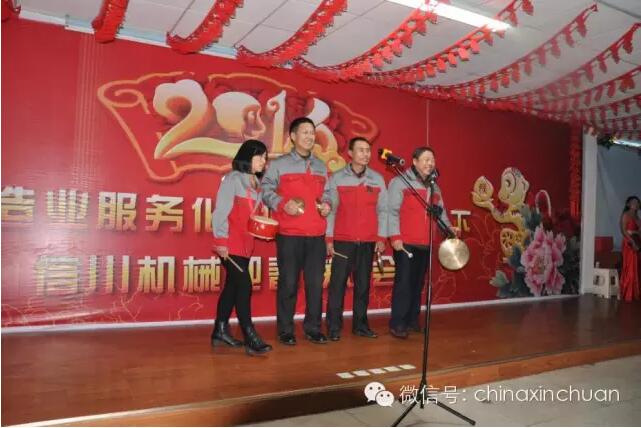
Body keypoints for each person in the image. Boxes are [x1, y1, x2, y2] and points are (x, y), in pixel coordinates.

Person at [261, 117, 332, 345]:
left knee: (315, 285)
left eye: (312, 132)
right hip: (289, 235)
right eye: (305, 132)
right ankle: (285, 330)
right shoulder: (280, 164)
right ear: (293, 136)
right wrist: (282, 204)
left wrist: (327, 204)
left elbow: (328, 192)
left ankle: (313, 328)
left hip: (316, 236)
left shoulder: (320, 166)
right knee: (289, 283)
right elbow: (265, 189)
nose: (310, 136)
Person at [387, 147, 457, 338]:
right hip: (405, 243)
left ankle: (412, 320)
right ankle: (398, 323)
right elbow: (391, 212)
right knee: (404, 284)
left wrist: (449, 229)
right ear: (415, 161)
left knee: (418, 284)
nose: (430, 163)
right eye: (426, 159)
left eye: (432, 160)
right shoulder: (400, 182)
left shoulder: (435, 187)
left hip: (426, 243)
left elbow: (441, 214)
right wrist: (394, 237)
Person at [211, 139, 272, 355]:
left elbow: (252, 214)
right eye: (260, 157)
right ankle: (250, 335)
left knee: (233, 287)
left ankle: (220, 330)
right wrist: (220, 241)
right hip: (230, 243)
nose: (263, 161)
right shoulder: (233, 179)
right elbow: (221, 211)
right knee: (244, 285)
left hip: (246, 245)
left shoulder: (257, 184)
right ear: (247, 157)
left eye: (265, 158)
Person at [325, 137, 387, 341]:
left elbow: (383, 211)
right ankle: (334, 327)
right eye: (361, 150)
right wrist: (329, 238)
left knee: (363, 285)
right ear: (350, 153)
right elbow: (331, 211)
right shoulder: (337, 178)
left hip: (368, 241)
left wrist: (381, 237)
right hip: (343, 241)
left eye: (368, 150)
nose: (366, 154)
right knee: (337, 286)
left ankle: (360, 325)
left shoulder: (377, 179)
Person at [620, 195, 640, 302]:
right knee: (630, 267)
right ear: (628, 204)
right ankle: (628, 294)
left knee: (637, 267)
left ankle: (636, 293)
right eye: (634, 202)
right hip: (629, 242)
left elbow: (639, 231)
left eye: (637, 202)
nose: (636, 204)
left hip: (637, 241)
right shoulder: (625, 214)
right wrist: (632, 241)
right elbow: (623, 230)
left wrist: (638, 237)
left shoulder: (637, 216)